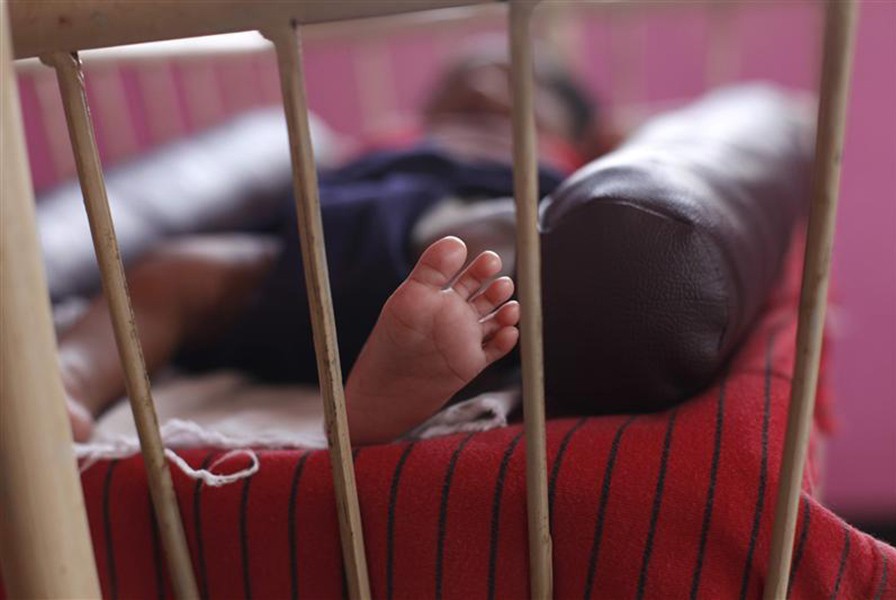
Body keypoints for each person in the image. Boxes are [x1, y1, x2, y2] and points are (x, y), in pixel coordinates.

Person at [61, 39, 609, 446]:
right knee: (179, 272)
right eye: (460, 86)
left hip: (449, 240)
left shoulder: (570, 159)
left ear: (573, 132)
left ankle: (399, 384)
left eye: (519, 84)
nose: (485, 88)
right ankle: (68, 383)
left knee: (490, 269)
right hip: (315, 255)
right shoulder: (386, 143)